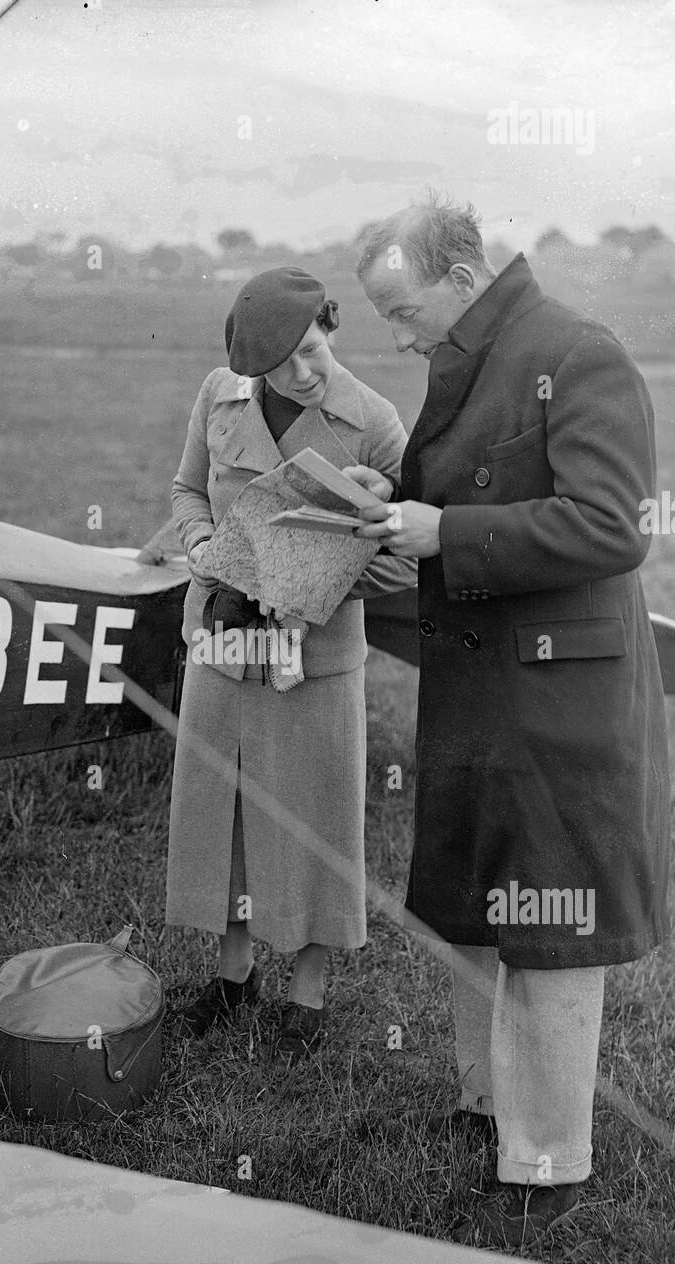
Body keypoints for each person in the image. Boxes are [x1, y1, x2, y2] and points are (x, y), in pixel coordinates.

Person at [345, 192, 670, 1246]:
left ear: (461, 274)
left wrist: (451, 530)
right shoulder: (474, 353)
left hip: (554, 698)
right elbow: (449, 498)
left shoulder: (577, 351)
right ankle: (485, 1105)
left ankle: (543, 1166)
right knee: (477, 906)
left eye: (401, 312)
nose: (396, 338)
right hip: (485, 687)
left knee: (548, 930)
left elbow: (608, 526)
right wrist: (387, 506)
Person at [167, 266, 417, 1060]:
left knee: (311, 813)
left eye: (312, 351)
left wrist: (309, 584)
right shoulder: (219, 393)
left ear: (332, 327)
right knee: (224, 804)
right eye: (279, 367)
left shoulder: (374, 422)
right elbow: (185, 491)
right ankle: (232, 974)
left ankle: (305, 993)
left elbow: (405, 557)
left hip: (314, 655)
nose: (300, 375)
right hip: (223, 640)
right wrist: (205, 548)